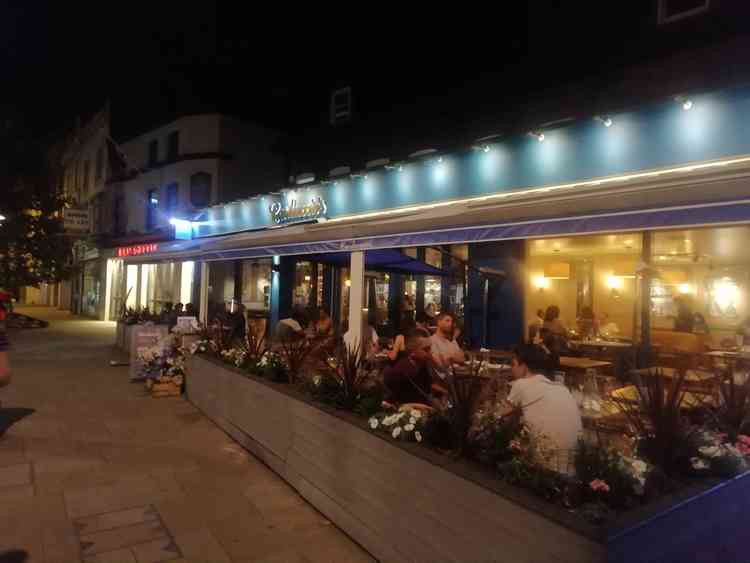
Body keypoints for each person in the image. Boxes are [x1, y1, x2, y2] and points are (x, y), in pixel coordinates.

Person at [507, 344, 582, 474]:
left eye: (513, 364)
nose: (510, 369)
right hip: (572, 465)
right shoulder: (561, 388)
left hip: (545, 468)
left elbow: (500, 419)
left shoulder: (521, 384)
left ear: (524, 367)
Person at [383, 336, 434, 405]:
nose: (430, 352)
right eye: (426, 350)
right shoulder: (398, 370)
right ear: (412, 352)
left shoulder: (424, 365)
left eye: (430, 349)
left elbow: (428, 387)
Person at [430, 312, 465, 380]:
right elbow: (440, 365)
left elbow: (462, 358)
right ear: (439, 322)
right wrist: (453, 358)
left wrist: (449, 358)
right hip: (446, 379)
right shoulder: (432, 341)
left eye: (451, 321)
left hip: (459, 376)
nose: (450, 324)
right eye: (447, 321)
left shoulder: (452, 340)